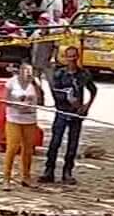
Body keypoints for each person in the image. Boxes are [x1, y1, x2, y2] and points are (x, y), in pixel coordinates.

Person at [40, 45, 96, 185]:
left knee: (73, 144)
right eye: (69, 56)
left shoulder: (83, 74)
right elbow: (55, 92)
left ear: (77, 57)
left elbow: (93, 90)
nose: (71, 59)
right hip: (62, 111)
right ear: (65, 57)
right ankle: (49, 170)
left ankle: (67, 172)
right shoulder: (59, 74)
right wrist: (67, 99)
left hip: (77, 115)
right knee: (55, 142)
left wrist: (86, 106)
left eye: (74, 56)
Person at [3, 65, 45, 188]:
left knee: (28, 149)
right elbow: (5, 100)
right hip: (14, 119)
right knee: (13, 147)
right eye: (25, 72)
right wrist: (18, 106)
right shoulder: (11, 83)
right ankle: (7, 178)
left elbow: (41, 101)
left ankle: (26, 177)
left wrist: (36, 86)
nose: (27, 75)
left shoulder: (34, 83)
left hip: (30, 121)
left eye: (30, 72)